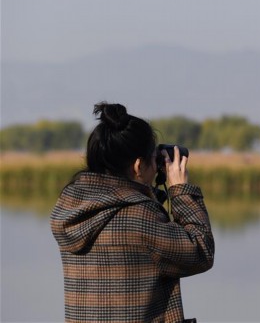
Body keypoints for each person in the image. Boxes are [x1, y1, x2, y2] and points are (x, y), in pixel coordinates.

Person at [50, 102, 214, 322]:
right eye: (152, 160)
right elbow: (201, 252)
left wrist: (150, 192)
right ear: (138, 166)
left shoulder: (71, 208)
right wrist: (180, 191)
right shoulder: (139, 217)